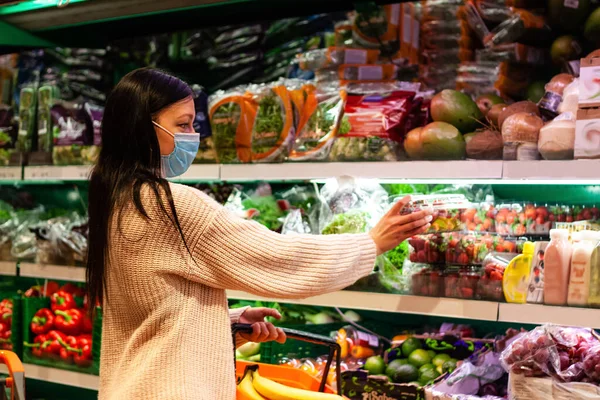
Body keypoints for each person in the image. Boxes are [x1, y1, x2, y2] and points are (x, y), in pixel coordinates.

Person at [86, 68, 433, 400]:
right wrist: (370, 244)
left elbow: (148, 314)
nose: (194, 135)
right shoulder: (171, 205)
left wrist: (226, 324)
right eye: (182, 124)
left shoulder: (114, 200)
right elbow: (279, 260)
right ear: (140, 128)